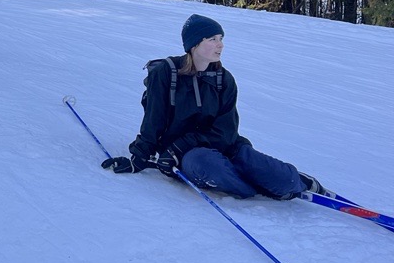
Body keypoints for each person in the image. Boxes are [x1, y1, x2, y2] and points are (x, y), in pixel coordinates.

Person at [101, 14, 325, 199]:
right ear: (195, 44)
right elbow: (154, 120)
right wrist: (137, 159)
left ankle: (300, 181)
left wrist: (180, 145)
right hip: (189, 156)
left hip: (226, 146)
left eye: (221, 38)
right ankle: (253, 189)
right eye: (213, 39)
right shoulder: (166, 74)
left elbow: (226, 131)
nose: (221, 45)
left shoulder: (224, 79)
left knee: (285, 181)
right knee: (209, 166)